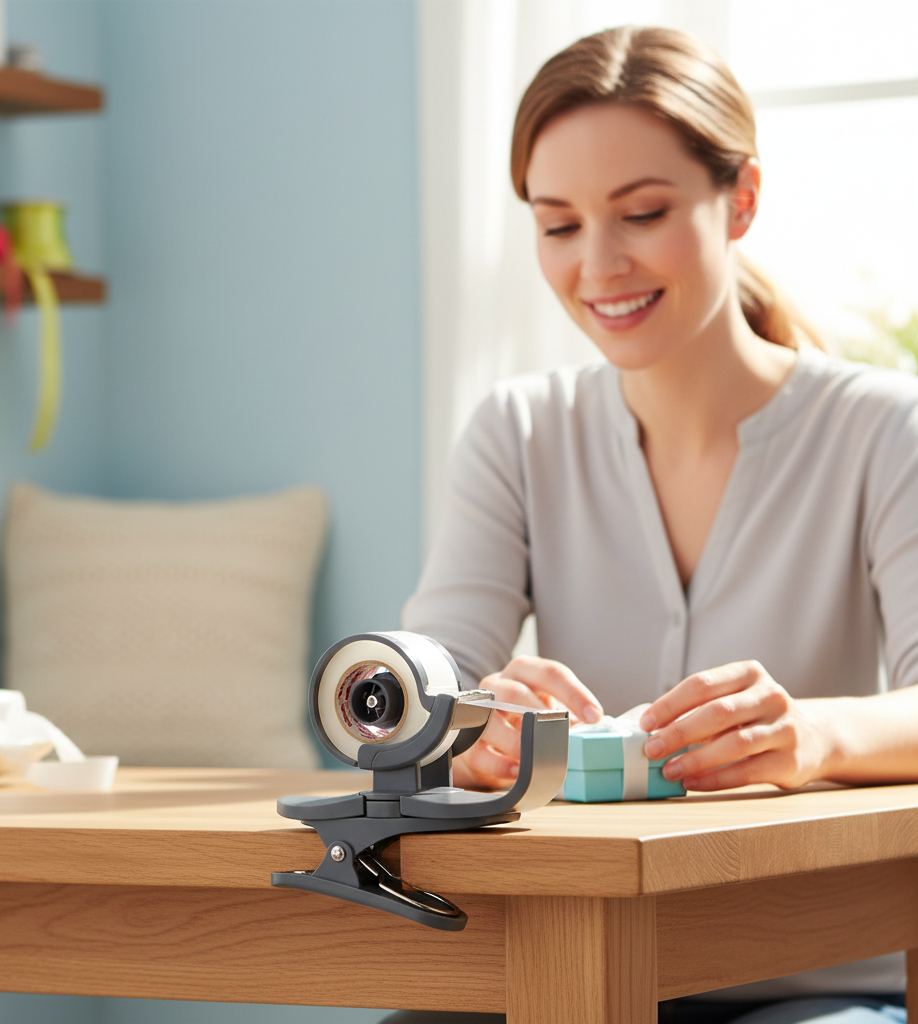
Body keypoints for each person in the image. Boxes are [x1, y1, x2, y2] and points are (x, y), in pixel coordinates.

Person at [400, 24, 917, 1024]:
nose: (598, 265)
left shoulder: (884, 430)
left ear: (742, 200)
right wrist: (469, 725)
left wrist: (807, 734)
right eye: (557, 225)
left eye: (640, 212)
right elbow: (421, 684)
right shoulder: (519, 430)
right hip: (560, 972)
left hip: (811, 978)